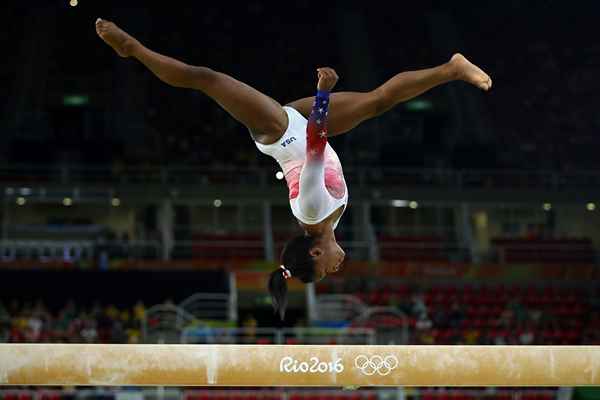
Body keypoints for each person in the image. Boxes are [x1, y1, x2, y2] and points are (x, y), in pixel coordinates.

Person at [95, 18, 492, 319]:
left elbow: (317, 144)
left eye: (323, 271)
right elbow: (317, 141)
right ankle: (452, 69)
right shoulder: (329, 223)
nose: (334, 270)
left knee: (207, 79)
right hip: (305, 127)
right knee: (377, 101)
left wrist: (323, 92)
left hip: (281, 131)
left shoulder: (313, 210)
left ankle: (134, 49)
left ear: (315, 251)